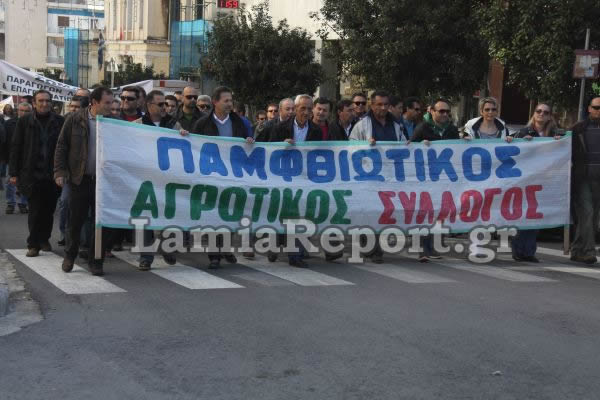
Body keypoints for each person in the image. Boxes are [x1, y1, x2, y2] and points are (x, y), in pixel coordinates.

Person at [192, 86, 254, 269]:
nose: (229, 104)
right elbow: (193, 146)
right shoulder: (202, 124)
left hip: (233, 176)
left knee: (229, 213)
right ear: (215, 102)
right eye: (226, 100)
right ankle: (214, 255)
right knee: (213, 214)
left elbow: (250, 142)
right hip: (211, 176)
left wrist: (250, 142)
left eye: (231, 100)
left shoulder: (241, 123)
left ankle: (226, 248)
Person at [54, 87, 114, 276]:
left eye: (112, 102)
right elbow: (62, 146)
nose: (111, 106)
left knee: (100, 223)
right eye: (107, 102)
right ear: (94, 102)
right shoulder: (75, 119)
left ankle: (96, 261)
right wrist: (60, 172)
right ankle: (70, 255)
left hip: (103, 182)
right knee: (75, 221)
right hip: (79, 180)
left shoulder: (114, 122)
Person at [350, 91, 408, 263]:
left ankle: (375, 247)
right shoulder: (362, 125)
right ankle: (370, 247)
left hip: (389, 177)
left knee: (383, 211)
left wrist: (408, 145)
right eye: (379, 104)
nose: (383, 108)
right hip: (367, 176)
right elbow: (350, 147)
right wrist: (364, 146)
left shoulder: (397, 125)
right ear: (372, 105)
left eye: (385, 104)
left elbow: (403, 144)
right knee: (368, 212)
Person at [134, 90, 188, 270]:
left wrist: (185, 136)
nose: (164, 107)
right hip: (145, 177)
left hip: (167, 179)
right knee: (145, 217)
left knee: (167, 214)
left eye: (165, 103)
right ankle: (145, 256)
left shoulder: (173, 124)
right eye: (160, 104)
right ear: (149, 105)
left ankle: (167, 247)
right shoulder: (137, 125)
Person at [9, 90, 65, 257]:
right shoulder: (25, 121)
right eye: (41, 101)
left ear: (51, 103)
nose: (44, 104)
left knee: (48, 210)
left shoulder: (59, 121)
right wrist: (13, 173)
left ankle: (44, 239)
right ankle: (33, 244)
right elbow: (16, 146)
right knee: (35, 210)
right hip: (32, 173)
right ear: (34, 103)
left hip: (52, 174)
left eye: (47, 101)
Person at [269, 94, 323, 268]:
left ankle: (295, 254)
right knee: (282, 213)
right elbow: (268, 150)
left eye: (309, 109)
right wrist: (281, 145)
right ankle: (275, 244)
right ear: (295, 109)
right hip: (283, 177)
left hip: (304, 178)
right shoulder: (280, 127)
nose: (306, 112)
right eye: (303, 108)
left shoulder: (316, 130)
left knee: (300, 215)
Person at [510, 102, 561, 263]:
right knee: (523, 215)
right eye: (538, 111)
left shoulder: (555, 133)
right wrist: (521, 142)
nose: (541, 114)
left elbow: (564, 147)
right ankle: (518, 250)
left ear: (550, 116)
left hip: (544, 181)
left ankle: (529, 251)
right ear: (534, 113)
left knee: (536, 216)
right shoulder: (523, 132)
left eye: (545, 112)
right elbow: (511, 150)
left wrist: (559, 142)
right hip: (525, 180)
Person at [411, 98, 462, 262]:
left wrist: (465, 143)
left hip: (444, 180)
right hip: (424, 179)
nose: (445, 114)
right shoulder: (422, 128)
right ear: (432, 111)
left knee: (439, 213)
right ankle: (422, 248)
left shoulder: (452, 130)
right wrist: (420, 145)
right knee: (425, 213)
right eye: (441, 111)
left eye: (447, 111)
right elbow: (409, 149)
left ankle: (433, 246)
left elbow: (458, 151)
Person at [570, 96, 600, 264]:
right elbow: (564, 149)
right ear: (589, 108)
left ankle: (576, 250)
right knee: (587, 213)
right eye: (596, 107)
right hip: (583, 180)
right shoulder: (578, 128)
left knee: (592, 217)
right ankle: (589, 251)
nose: (599, 111)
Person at [2, 102, 31, 214]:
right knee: (10, 181)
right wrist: (4, 158)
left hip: (27, 158)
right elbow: (4, 141)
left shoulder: (34, 123)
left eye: (26, 111)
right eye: (21, 110)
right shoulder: (9, 124)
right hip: (12, 157)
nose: (24, 113)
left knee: (25, 182)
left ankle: (23, 203)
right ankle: (10, 203)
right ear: (17, 111)